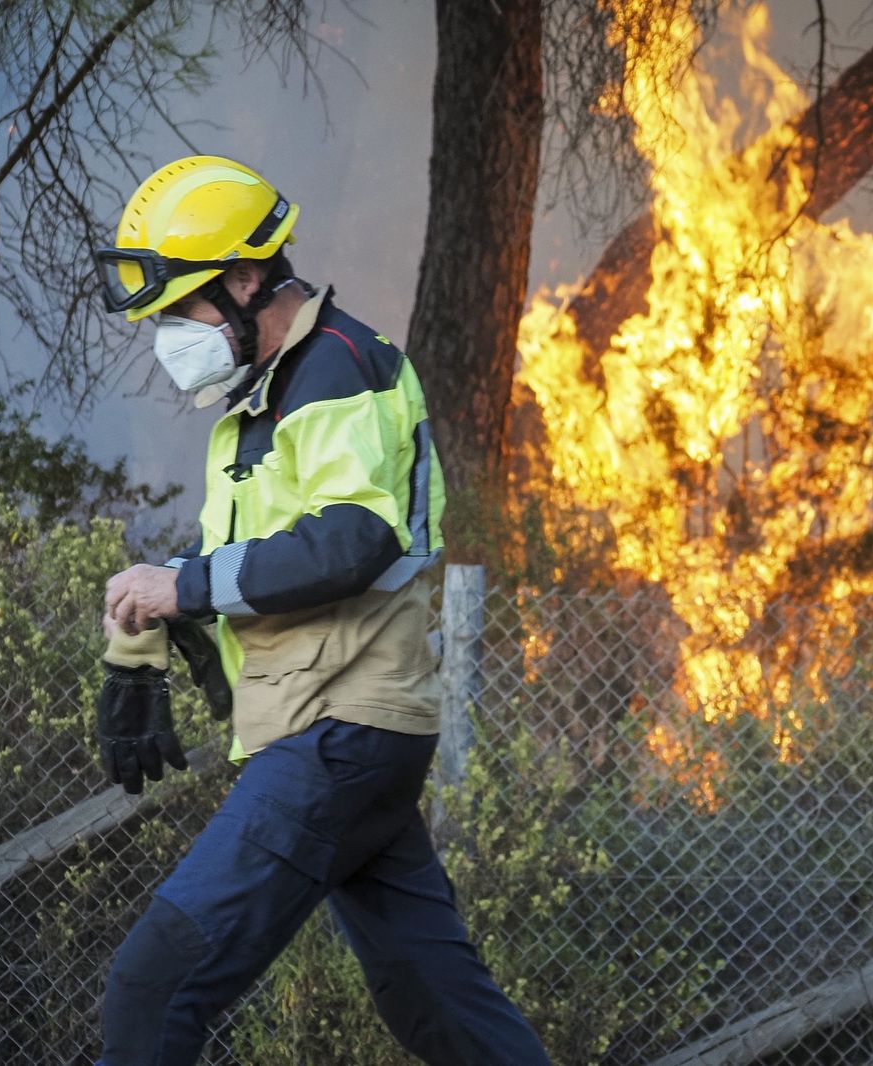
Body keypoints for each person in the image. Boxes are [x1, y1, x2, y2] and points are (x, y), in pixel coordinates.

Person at [88, 155, 549, 1066]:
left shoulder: (336, 370)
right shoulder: (270, 396)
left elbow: (351, 541)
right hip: (344, 733)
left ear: (246, 279)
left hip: (334, 735)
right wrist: (146, 626)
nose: (171, 339)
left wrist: (183, 586)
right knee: (443, 1011)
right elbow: (263, 561)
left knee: (152, 987)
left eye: (179, 311)